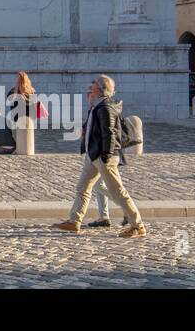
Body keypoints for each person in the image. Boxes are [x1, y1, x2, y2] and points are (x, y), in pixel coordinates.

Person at [52, 75, 147, 238]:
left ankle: (137, 225)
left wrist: (106, 156)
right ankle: (75, 221)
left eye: (94, 83)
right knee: (83, 187)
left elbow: (109, 133)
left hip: (103, 157)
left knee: (118, 192)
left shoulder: (106, 108)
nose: (91, 85)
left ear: (100, 88)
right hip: (93, 155)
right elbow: (94, 126)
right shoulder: (97, 106)